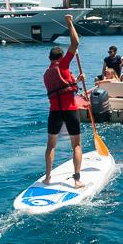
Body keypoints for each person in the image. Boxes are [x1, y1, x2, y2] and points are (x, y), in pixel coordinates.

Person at [43, 14, 84, 188]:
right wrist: (69, 23)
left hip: (54, 112)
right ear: (60, 57)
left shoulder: (46, 74)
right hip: (70, 110)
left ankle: (47, 177)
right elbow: (75, 43)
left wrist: (76, 80)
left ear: (50, 59)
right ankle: (76, 180)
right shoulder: (64, 64)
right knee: (76, 145)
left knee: (51, 145)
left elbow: (65, 85)